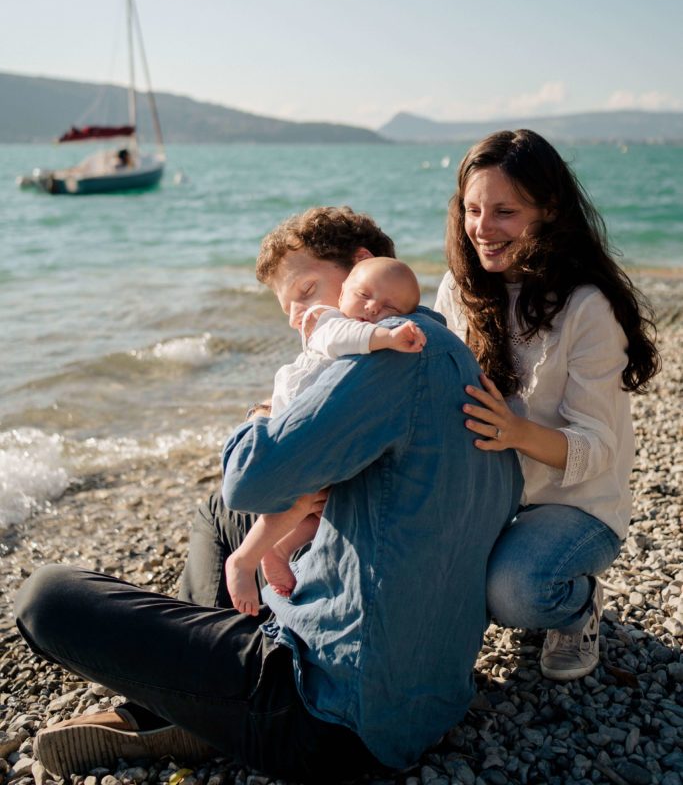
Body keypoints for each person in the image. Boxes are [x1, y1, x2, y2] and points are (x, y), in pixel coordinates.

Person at [14, 205, 523, 783]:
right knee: (219, 516)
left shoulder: (383, 360)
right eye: (289, 309)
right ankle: (190, 707)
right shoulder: (450, 352)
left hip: (330, 716)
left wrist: (259, 414)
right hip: (427, 702)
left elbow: (247, 479)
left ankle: (171, 711)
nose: (302, 315)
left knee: (44, 596)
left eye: (308, 289)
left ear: (363, 267)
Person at [434, 129, 660, 682]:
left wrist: (515, 432)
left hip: (577, 504)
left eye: (504, 212)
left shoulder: (586, 306)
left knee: (515, 594)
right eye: (472, 210)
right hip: (489, 496)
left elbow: (598, 448)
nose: (483, 230)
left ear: (550, 210)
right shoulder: (458, 289)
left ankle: (578, 604)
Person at [226, 256, 426, 615]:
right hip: (294, 425)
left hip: (321, 436)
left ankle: (278, 550)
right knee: (302, 501)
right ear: (345, 289)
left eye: (389, 308)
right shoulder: (331, 322)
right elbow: (350, 335)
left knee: (317, 510)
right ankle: (243, 560)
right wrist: (388, 334)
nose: (371, 307)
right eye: (363, 294)